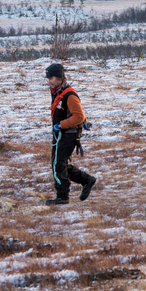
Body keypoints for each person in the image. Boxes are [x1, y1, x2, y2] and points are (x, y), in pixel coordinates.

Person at [45, 63, 96, 205]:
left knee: (58, 164)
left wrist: (60, 125)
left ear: (59, 77)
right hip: (61, 134)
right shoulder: (57, 92)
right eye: (48, 78)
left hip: (69, 134)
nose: (49, 81)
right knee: (58, 164)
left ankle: (62, 196)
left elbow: (79, 117)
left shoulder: (69, 95)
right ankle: (86, 180)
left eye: (51, 78)